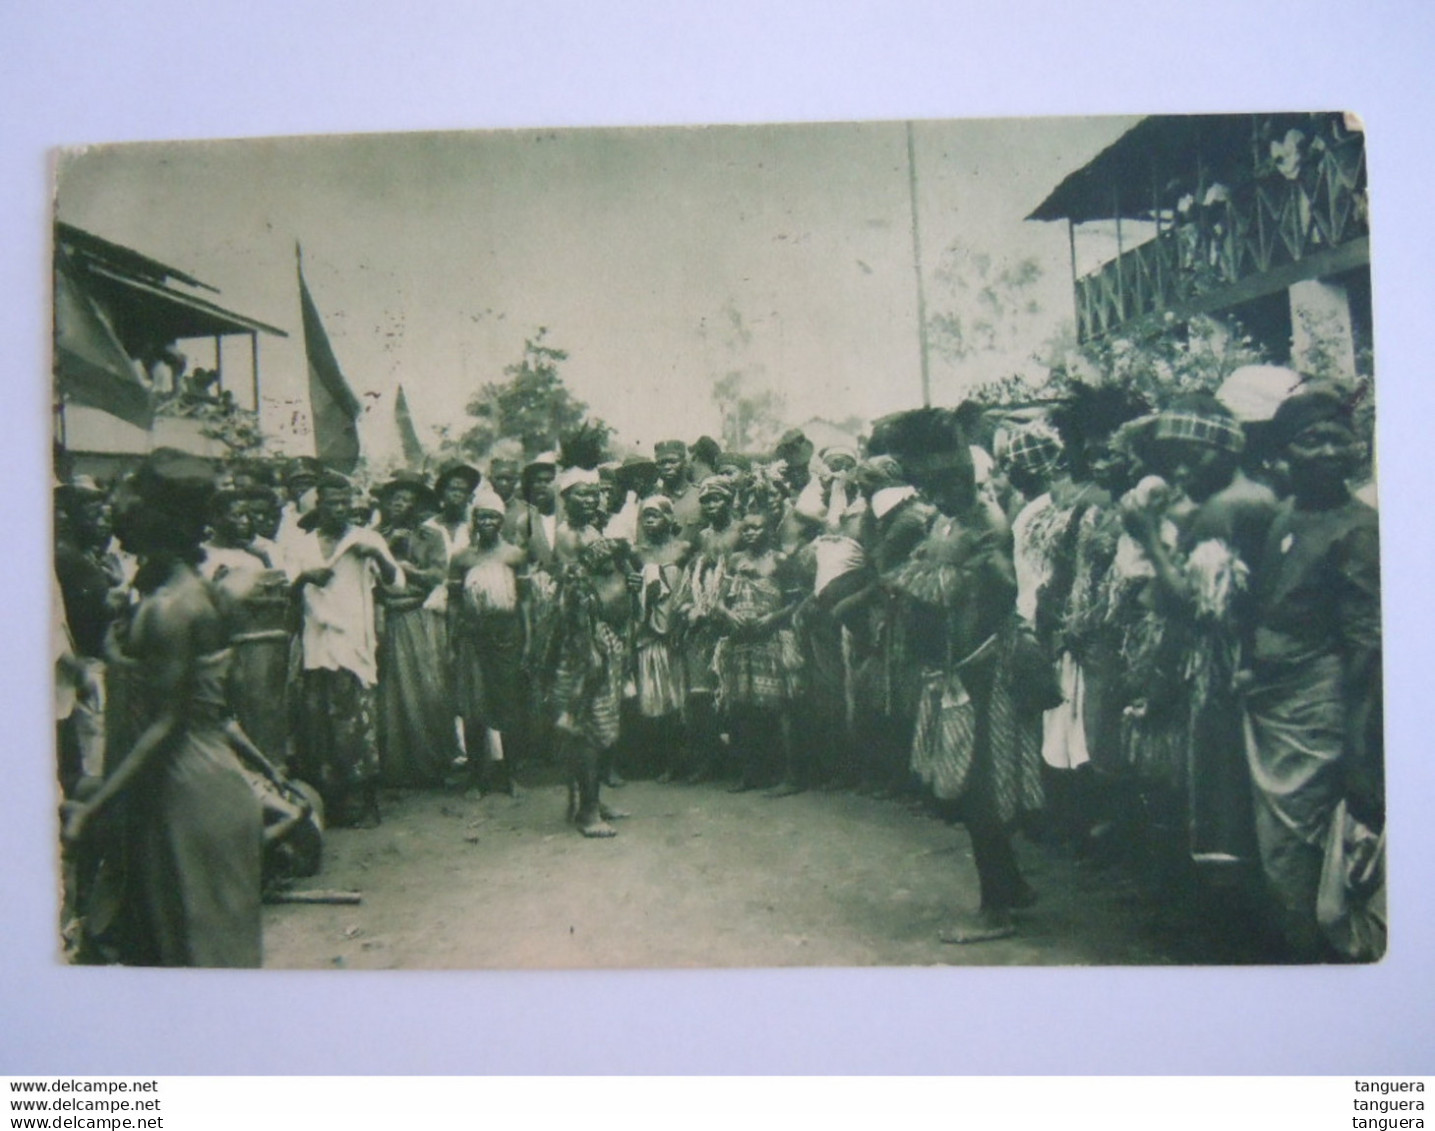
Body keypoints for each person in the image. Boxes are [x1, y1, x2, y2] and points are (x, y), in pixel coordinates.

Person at [62, 449, 263, 967]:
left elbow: (164, 726)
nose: (115, 517)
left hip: (184, 790)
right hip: (200, 782)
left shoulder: (169, 609)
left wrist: (94, 805)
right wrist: (117, 652)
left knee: (195, 957)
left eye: (125, 507)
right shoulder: (192, 596)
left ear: (156, 521)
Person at [870, 407, 1042, 944]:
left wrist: (954, 580)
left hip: (982, 671)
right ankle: (1010, 885)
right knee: (967, 787)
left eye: (947, 481)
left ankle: (997, 910)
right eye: (927, 483)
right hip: (954, 670)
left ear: (967, 474)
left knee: (980, 789)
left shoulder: (985, 522)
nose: (936, 491)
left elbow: (1000, 592)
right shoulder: (944, 518)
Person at [1242, 384, 1382, 961]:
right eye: (1310, 440)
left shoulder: (1359, 527)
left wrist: (1359, 753)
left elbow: (1367, 651)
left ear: (1357, 449)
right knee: (1278, 854)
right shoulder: (1280, 519)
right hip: (1271, 708)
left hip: (1318, 712)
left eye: (1338, 438)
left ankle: (1313, 972)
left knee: (1304, 855)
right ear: (1282, 455)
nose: (1327, 452)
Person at [290, 471, 402, 827]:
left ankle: (367, 801)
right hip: (316, 644)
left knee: (357, 723)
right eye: (332, 503)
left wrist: (377, 556)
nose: (339, 509)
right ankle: (334, 803)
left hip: (353, 644)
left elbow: (396, 583)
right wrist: (305, 578)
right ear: (319, 506)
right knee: (320, 726)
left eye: (345, 503)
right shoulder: (302, 545)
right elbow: (286, 590)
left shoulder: (363, 539)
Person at [201, 488, 294, 773]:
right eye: (237, 515)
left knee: (261, 716)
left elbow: (282, 595)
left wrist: (264, 561)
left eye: (248, 515)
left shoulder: (260, 553)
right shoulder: (202, 554)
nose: (245, 521)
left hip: (260, 655)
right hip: (220, 650)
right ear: (216, 518)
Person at [374, 471, 456, 788]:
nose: (402, 505)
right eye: (396, 499)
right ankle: (397, 768)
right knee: (391, 691)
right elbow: (370, 579)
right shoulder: (374, 536)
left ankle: (432, 763)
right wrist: (387, 549)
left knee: (427, 687)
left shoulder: (430, 536)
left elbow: (439, 575)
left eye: (409, 500)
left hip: (419, 617)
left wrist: (411, 571)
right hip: (387, 616)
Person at [715, 510, 804, 793]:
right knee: (743, 708)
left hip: (773, 639)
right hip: (741, 642)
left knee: (780, 708)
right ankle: (749, 773)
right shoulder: (735, 561)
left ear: (769, 531)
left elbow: (796, 602)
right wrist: (729, 614)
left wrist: (772, 618)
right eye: (746, 529)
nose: (751, 533)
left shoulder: (781, 561)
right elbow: (718, 600)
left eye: (757, 528)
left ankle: (790, 776)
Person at [448, 485, 528, 795]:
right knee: (474, 709)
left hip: (507, 635)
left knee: (507, 706)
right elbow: (453, 603)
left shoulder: (513, 555)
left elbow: (526, 603)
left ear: (501, 521)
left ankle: (511, 776)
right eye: (481, 517)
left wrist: (529, 641)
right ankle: (477, 777)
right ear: (474, 520)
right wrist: (450, 642)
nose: (487, 523)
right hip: (472, 635)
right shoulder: (462, 558)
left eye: (493, 517)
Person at [631, 496, 691, 782]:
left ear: (669, 517)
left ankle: (686, 759)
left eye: (656, 514)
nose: (650, 520)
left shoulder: (683, 549)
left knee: (680, 698)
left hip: (678, 629)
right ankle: (662, 760)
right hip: (649, 632)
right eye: (646, 516)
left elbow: (693, 584)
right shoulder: (638, 553)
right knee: (655, 697)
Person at [654, 439, 703, 540]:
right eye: (661, 463)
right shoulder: (653, 500)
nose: (667, 467)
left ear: (684, 462)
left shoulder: (700, 495)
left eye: (673, 462)